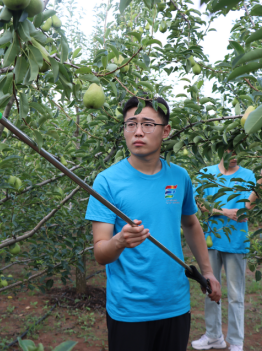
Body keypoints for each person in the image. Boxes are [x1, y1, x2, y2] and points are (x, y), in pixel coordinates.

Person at [84, 96, 222, 351]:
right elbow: (101, 253)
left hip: (175, 304)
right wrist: (119, 241)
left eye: (147, 124)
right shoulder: (106, 182)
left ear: (166, 131)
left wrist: (208, 271)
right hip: (129, 309)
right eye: (130, 124)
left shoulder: (179, 177)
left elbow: (190, 224)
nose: (137, 132)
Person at [191, 147, 262, 351]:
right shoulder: (206, 173)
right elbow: (200, 203)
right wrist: (224, 212)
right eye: (229, 150)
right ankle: (213, 336)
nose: (234, 155)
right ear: (219, 149)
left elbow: (249, 207)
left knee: (236, 293)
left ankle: (236, 341)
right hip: (211, 240)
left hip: (237, 241)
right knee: (211, 288)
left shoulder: (246, 175)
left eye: (237, 151)